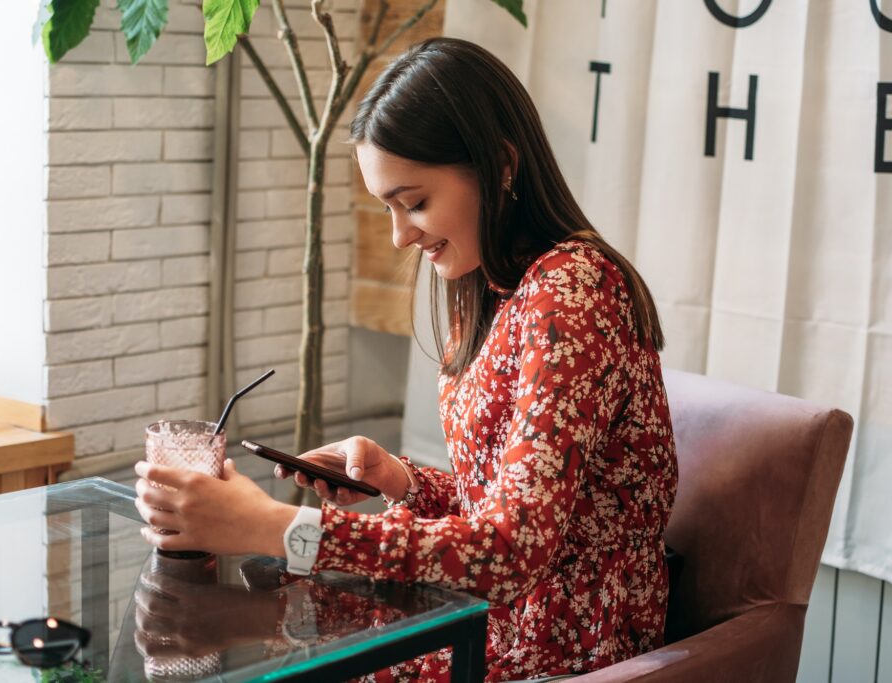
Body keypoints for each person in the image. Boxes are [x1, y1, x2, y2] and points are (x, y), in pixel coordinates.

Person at [133, 36, 678, 682]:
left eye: (414, 202)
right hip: (487, 617)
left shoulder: (573, 292)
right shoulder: (488, 286)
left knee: (277, 641)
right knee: (257, 628)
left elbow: (512, 552)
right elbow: (503, 504)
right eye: (388, 207)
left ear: (500, 165)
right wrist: (400, 480)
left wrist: (278, 526)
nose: (400, 235)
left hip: (564, 648)